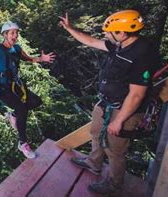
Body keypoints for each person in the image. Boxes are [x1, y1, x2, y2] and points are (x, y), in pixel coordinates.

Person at [59, 10, 156, 195]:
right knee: (95, 133)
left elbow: (136, 94)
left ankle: (114, 185)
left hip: (125, 110)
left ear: (122, 33)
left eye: (109, 31)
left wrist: (119, 121)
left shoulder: (142, 54)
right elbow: (90, 41)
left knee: (115, 150)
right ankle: (93, 163)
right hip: (106, 102)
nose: (105, 35)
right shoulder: (119, 45)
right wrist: (70, 28)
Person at [0, 21, 55, 159]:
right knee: (22, 109)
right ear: (5, 35)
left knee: (36, 101)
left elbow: (29, 59)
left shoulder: (17, 49)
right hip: (1, 88)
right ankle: (23, 143)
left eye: (16, 33)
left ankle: (13, 116)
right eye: (12, 33)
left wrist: (41, 58)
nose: (15, 35)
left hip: (15, 85)